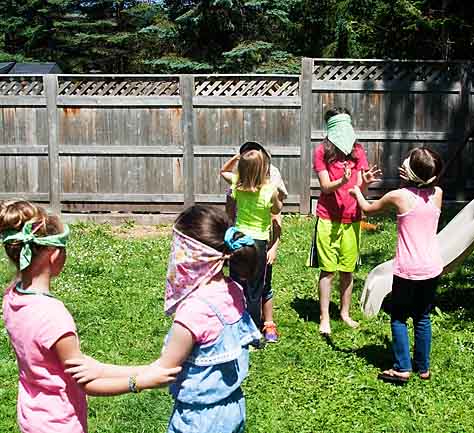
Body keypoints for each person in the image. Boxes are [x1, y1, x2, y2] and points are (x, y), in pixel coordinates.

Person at [67, 204, 262, 433]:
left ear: (192, 254)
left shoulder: (193, 312)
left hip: (197, 422)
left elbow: (162, 372)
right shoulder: (234, 291)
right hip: (233, 409)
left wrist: (101, 370)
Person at [0, 200, 180, 433]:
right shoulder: (53, 316)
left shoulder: (12, 296)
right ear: (53, 255)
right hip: (60, 424)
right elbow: (87, 382)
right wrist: (140, 382)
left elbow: (83, 365)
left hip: (32, 417)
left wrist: (145, 368)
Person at [350, 147, 444, 384]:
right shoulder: (438, 193)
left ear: (410, 173)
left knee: (399, 317)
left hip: (408, 270)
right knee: (422, 317)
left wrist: (357, 190)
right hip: (432, 268)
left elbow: (368, 208)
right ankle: (422, 368)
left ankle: (402, 368)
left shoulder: (399, 196)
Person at [313, 107, 381, 335]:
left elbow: (360, 187)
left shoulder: (358, 151)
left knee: (347, 269)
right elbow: (324, 187)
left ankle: (344, 313)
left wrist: (367, 182)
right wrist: (341, 180)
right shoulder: (321, 151)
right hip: (327, 218)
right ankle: (324, 317)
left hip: (352, 217)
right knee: (328, 270)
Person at [222, 141, 286, 343]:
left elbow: (223, 171)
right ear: (264, 169)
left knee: (237, 284)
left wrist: (236, 159)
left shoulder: (237, 186)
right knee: (256, 290)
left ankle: (236, 327)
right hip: (258, 243)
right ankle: (253, 331)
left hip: (238, 241)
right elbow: (277, 211)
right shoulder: (269, 191)